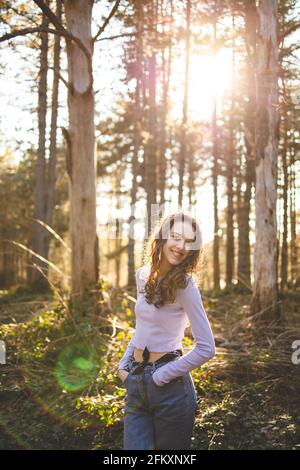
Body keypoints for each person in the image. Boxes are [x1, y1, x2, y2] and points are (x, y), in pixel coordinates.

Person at [117, 210, 216, 450]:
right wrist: (123, 366)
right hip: (136, 381)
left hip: (171, 390)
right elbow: (143, 328)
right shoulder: (143, 276)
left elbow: (207, 348)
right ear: (162, 237)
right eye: (176, 237)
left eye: (188, 241)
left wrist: (161, 376)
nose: (181, 246)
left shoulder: (185, 285)